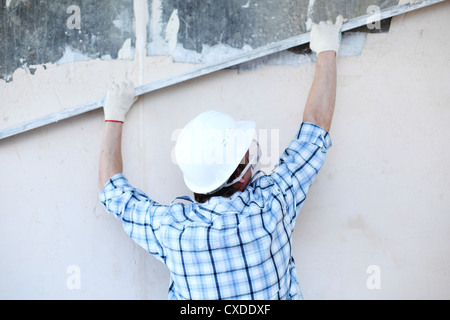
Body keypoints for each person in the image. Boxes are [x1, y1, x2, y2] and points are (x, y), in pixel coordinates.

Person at [98, 16, 343, 300]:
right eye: (248, 156)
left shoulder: (172, 230)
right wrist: (327, 51)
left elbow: (112, 191)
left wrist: (114, 116)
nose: (253, 158)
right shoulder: (271, 207)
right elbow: (316, 128)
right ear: (240, 180)